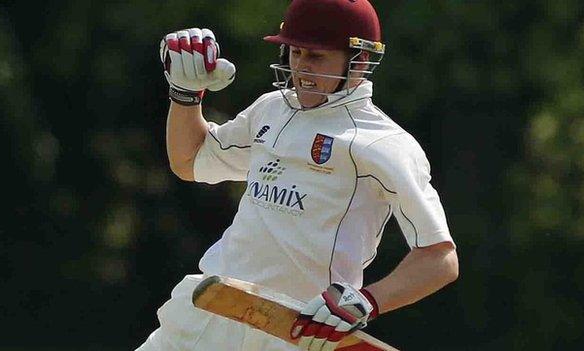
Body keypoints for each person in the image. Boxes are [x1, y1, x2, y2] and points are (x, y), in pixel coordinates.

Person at [138, 0, 458, 350]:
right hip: (210, 307)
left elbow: (439, 258)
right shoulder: (272, 109)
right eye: (295, 52)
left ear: (360, 61)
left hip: (293, 329)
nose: (301, 67)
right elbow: (191, 161)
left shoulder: (384, 144)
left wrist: (367, 300)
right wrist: (185, 94)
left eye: (316, 57)